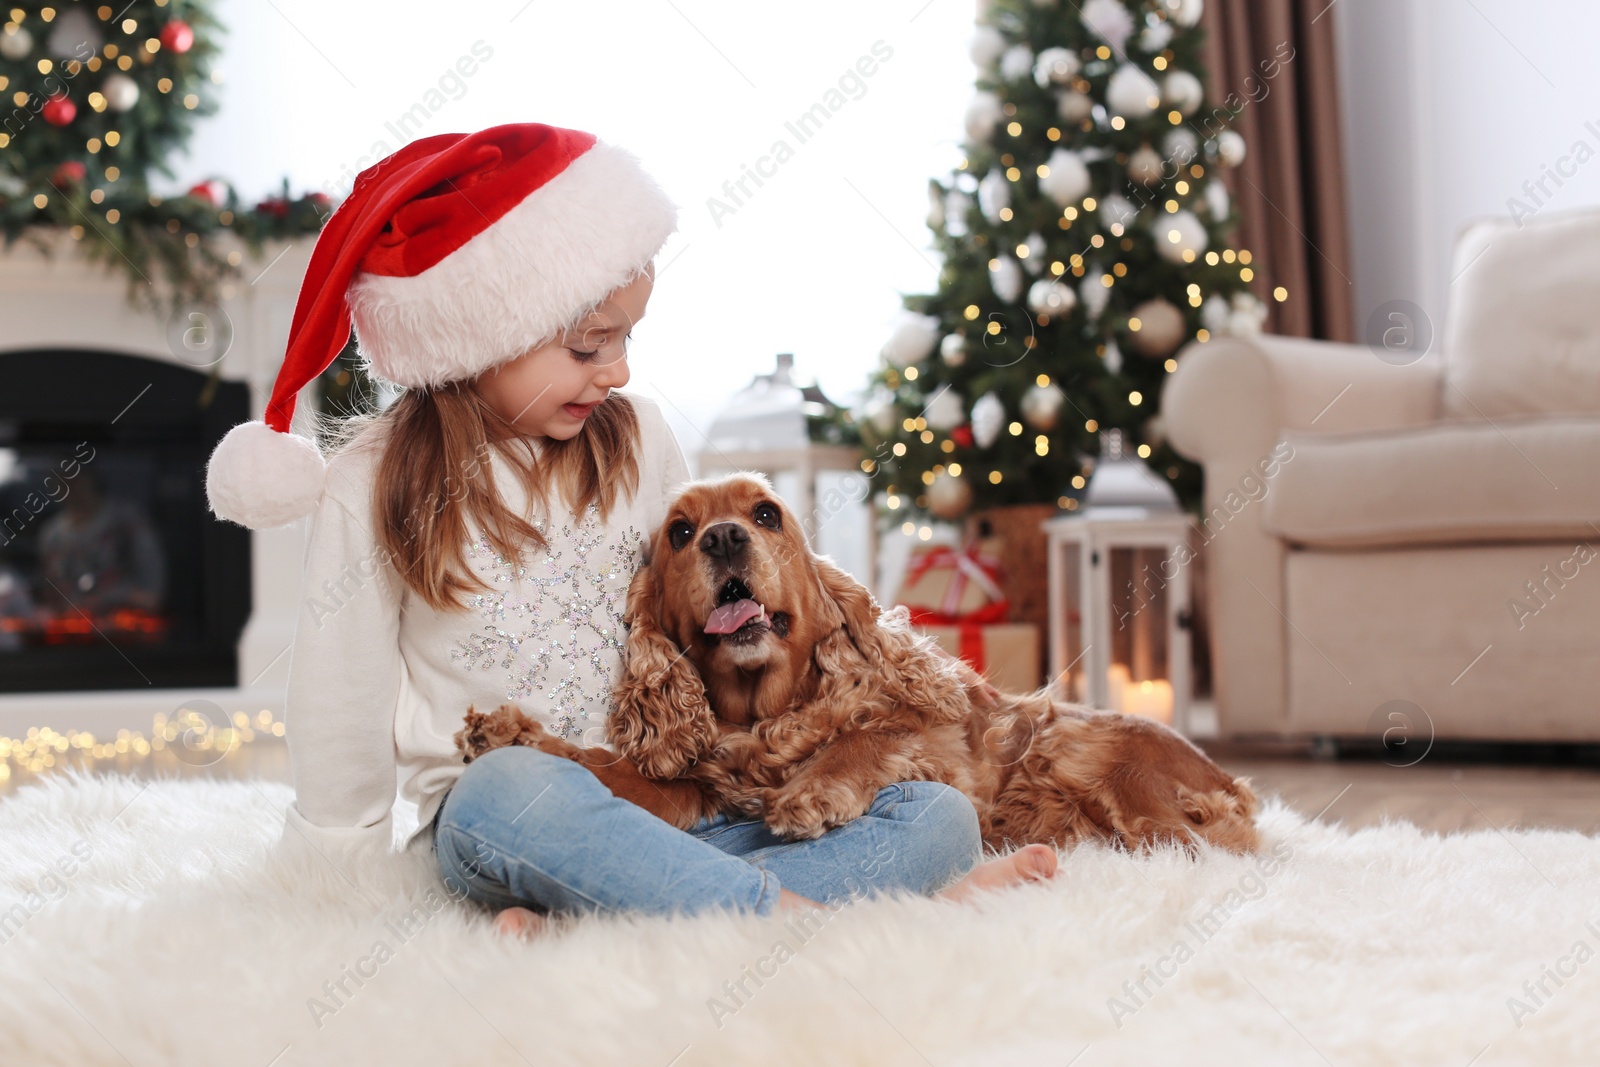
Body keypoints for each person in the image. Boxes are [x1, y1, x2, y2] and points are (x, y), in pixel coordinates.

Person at [205, 123, 1053, 936]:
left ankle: (611, 916)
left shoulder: (639, 434)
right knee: (511, 786)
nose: (619, 369)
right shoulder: (376, 482)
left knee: (934, 814)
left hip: (675, 802)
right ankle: (794, 918)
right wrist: (339, 859)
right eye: (588, 347)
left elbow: (704, 610)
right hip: (511, 822)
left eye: (625, 340)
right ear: (481, 335)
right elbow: (338, 694)